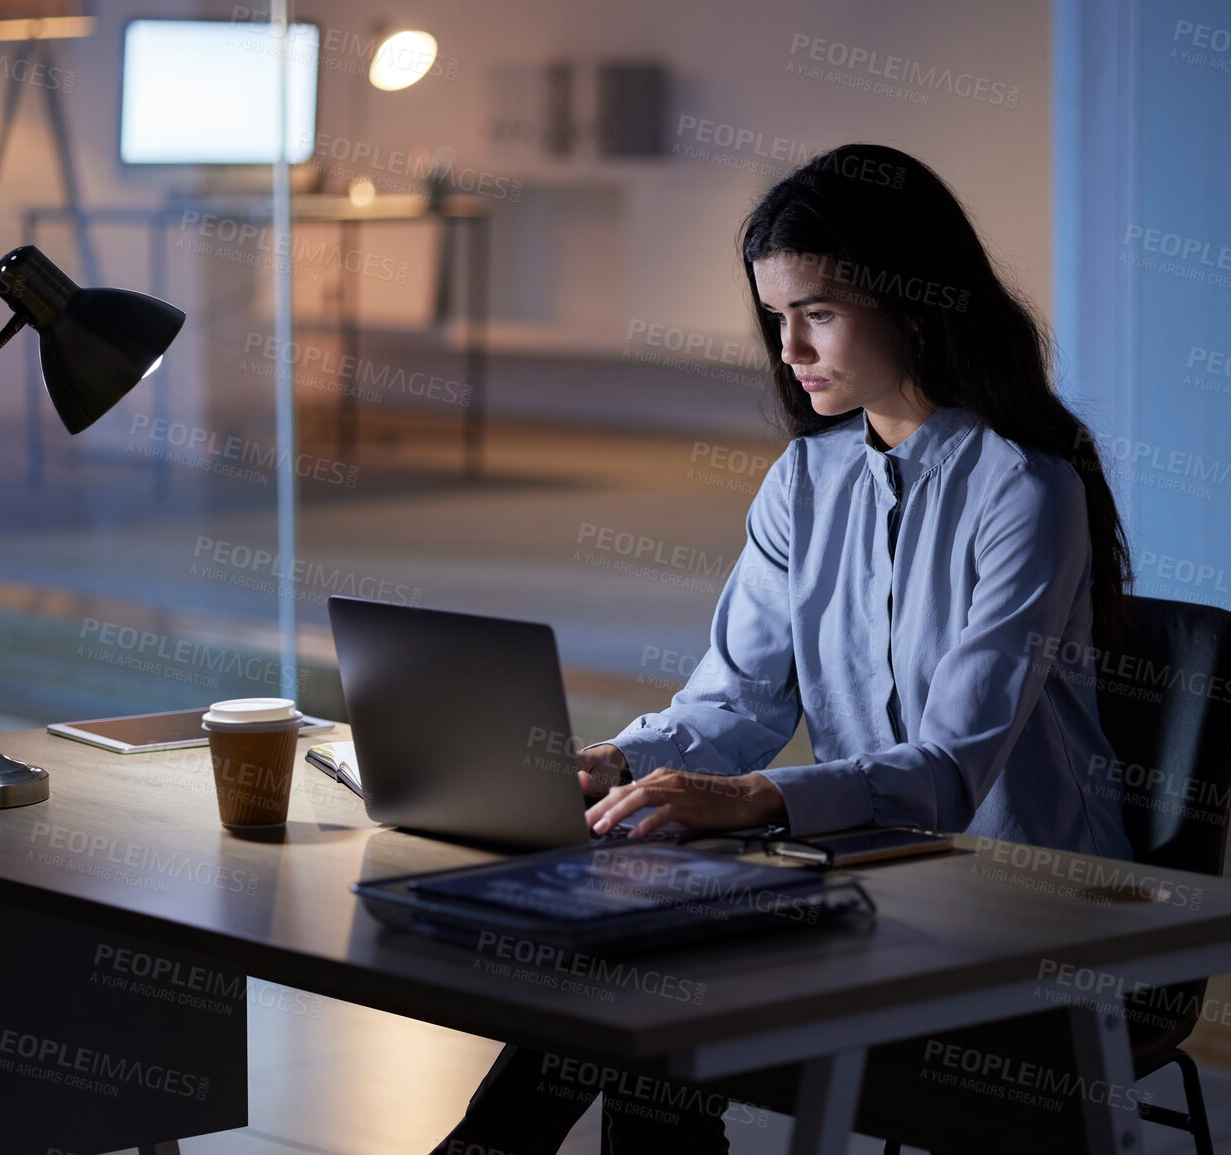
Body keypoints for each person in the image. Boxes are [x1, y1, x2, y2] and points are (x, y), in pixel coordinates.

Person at [434, 142, 1134, 1155]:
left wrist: (758, 797)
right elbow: (739, 703)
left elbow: (951, 771)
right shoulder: (806, 482)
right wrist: (621, 765)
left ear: (916, 303)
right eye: (777, 319)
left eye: (819, 313)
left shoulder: (1025, 491)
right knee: (635, 928)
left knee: (645, 963)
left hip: (1017, 894)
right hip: (871, 865)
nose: (791, 349)